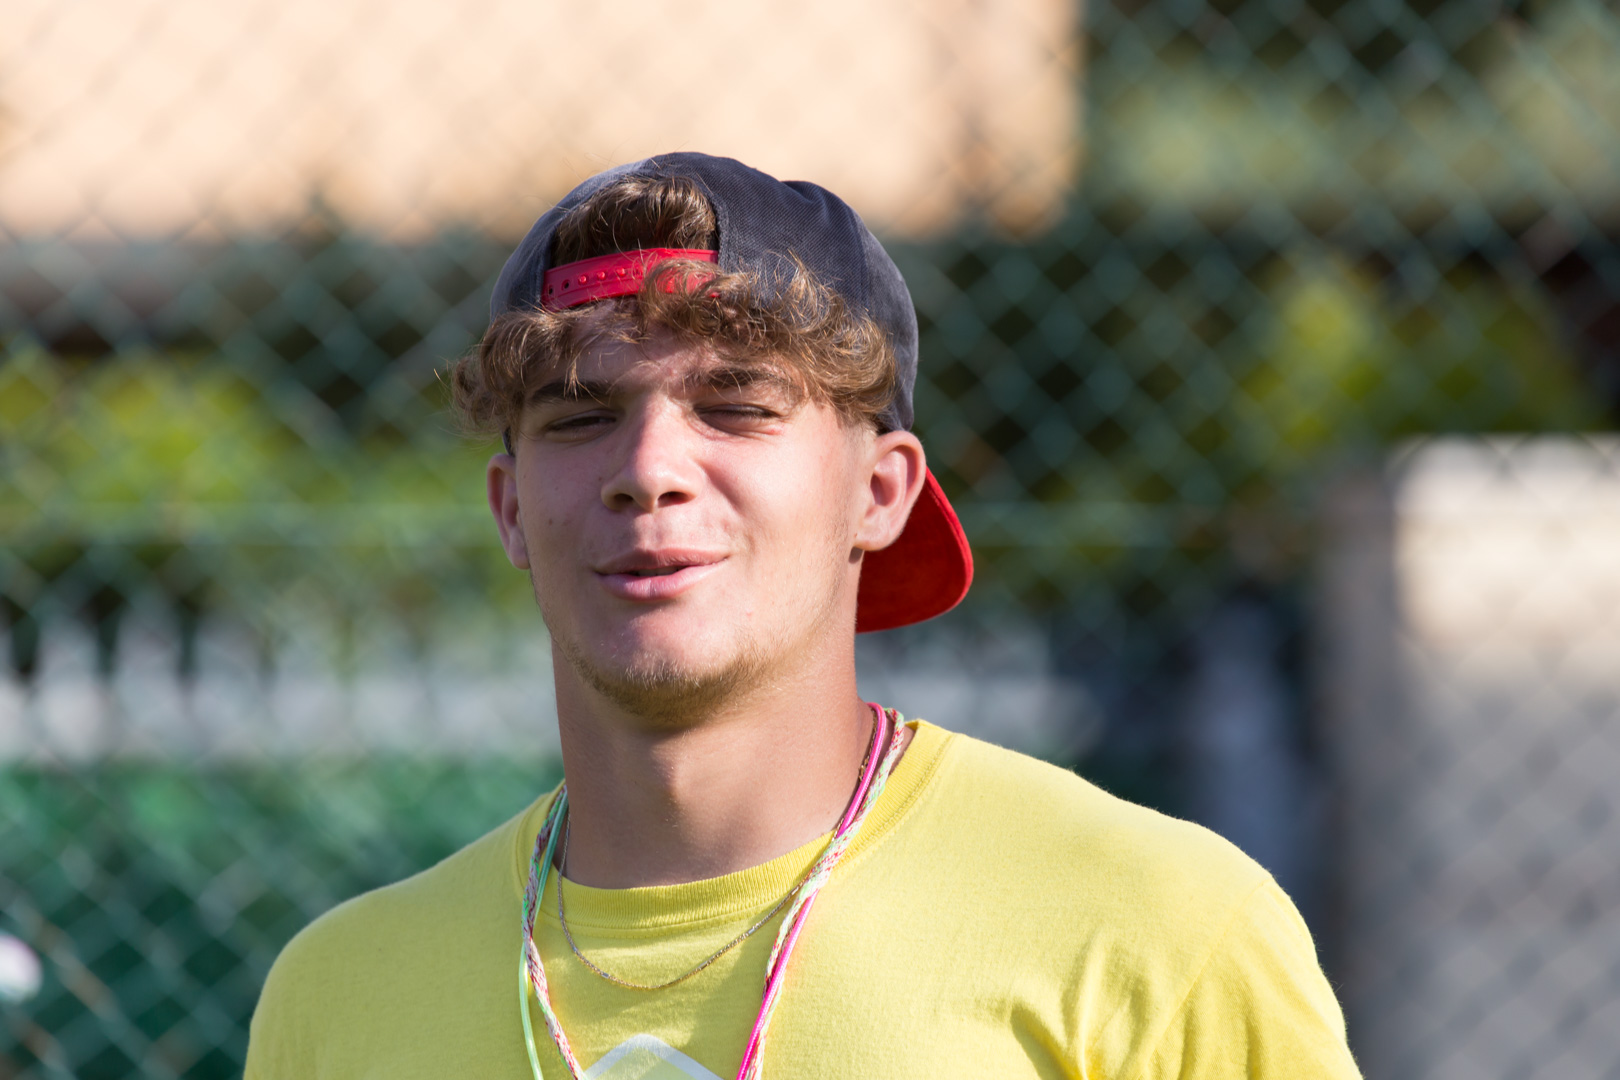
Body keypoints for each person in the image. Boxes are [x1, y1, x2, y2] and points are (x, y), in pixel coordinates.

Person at [245, 152, 1362, 1080]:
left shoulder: (1153, 928)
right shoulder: (339, 998)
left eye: (736, 406)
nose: (648, 470)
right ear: (510, 510)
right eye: (580, 417)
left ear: (879, 492)